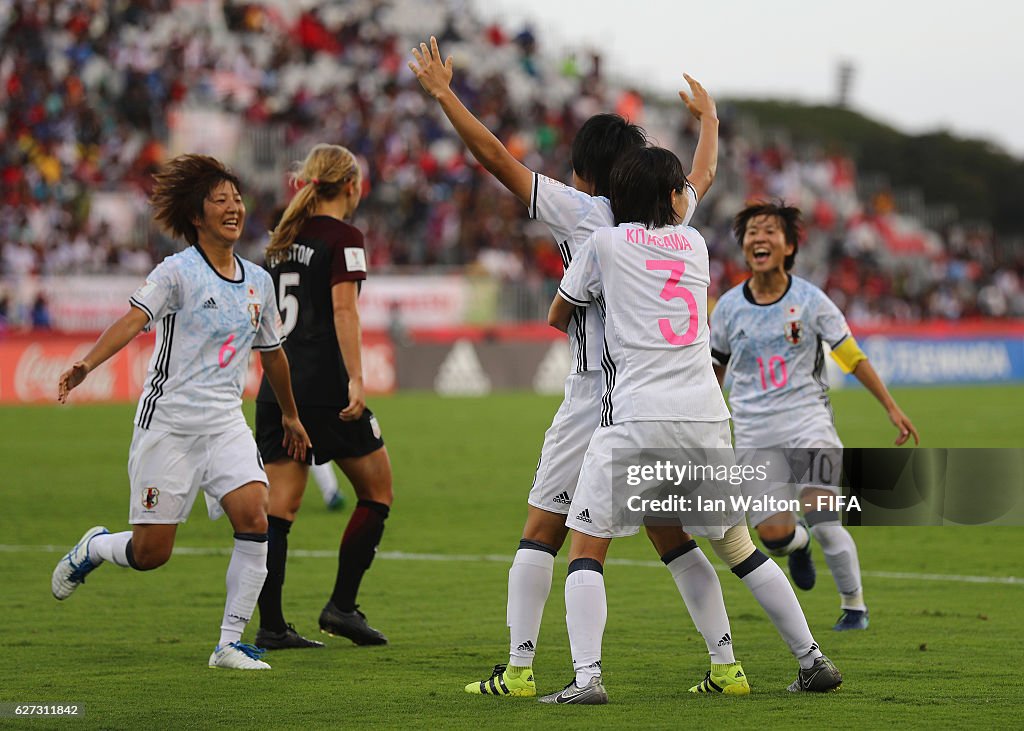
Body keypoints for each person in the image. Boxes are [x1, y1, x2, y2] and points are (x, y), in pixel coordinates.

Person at [411, 37, 750, 697]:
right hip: (660, 401)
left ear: (585, 171)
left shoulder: (580, 210)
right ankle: (725, 662)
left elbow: (494, 158)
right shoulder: (666, 217)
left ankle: (521, 669)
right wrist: (708, 121)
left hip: (596, 399)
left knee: (545, 530)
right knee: (675, 535)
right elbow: (700, 178)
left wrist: (444, 93)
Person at [542, 147, 843, 704]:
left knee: (586, 546)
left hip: (635, 415)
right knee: (738, 548)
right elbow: (679, 210)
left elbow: (559, 315)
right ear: (670, 197)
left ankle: (586, 678)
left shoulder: (602, 245)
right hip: (705, 416)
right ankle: (811, 659)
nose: (687, 192)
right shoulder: (694, 243)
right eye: (681, 187)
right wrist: (709, 125)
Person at [51, 154, 311, 671]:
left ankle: (229, 644)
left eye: (236, 199)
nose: (234, 208)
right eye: (220, 200)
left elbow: (274, 354)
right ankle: (95, 547)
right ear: (197, 215)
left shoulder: (258, 281)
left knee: (255, 514)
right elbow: (132, 320)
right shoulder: (177, 272)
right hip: (168, 424)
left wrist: (290, 415)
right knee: (152, 554)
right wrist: (87, 363)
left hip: (223, 422)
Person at [711, 201, 919, 630]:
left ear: (788, 246)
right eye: (751, 232)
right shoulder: (728, 308)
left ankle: (854, 606)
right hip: (753, 430)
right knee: (774, 537)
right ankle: (797, 543)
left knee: (825, 519)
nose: (759, 238)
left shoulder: (811, 300)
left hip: (809, 423)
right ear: (743, 246)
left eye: (769, 231)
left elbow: (851, 356)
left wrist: (891, 407)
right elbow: (715, 371)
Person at [254, 143, 393, 650]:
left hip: (278, 389)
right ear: (352, 186)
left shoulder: (281, 240)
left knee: (280, 510)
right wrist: (357, 378)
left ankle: (271, 625)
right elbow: (344, 312)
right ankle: (341, 606)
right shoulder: (344, 237)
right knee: (378, 491)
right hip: (324, 390)